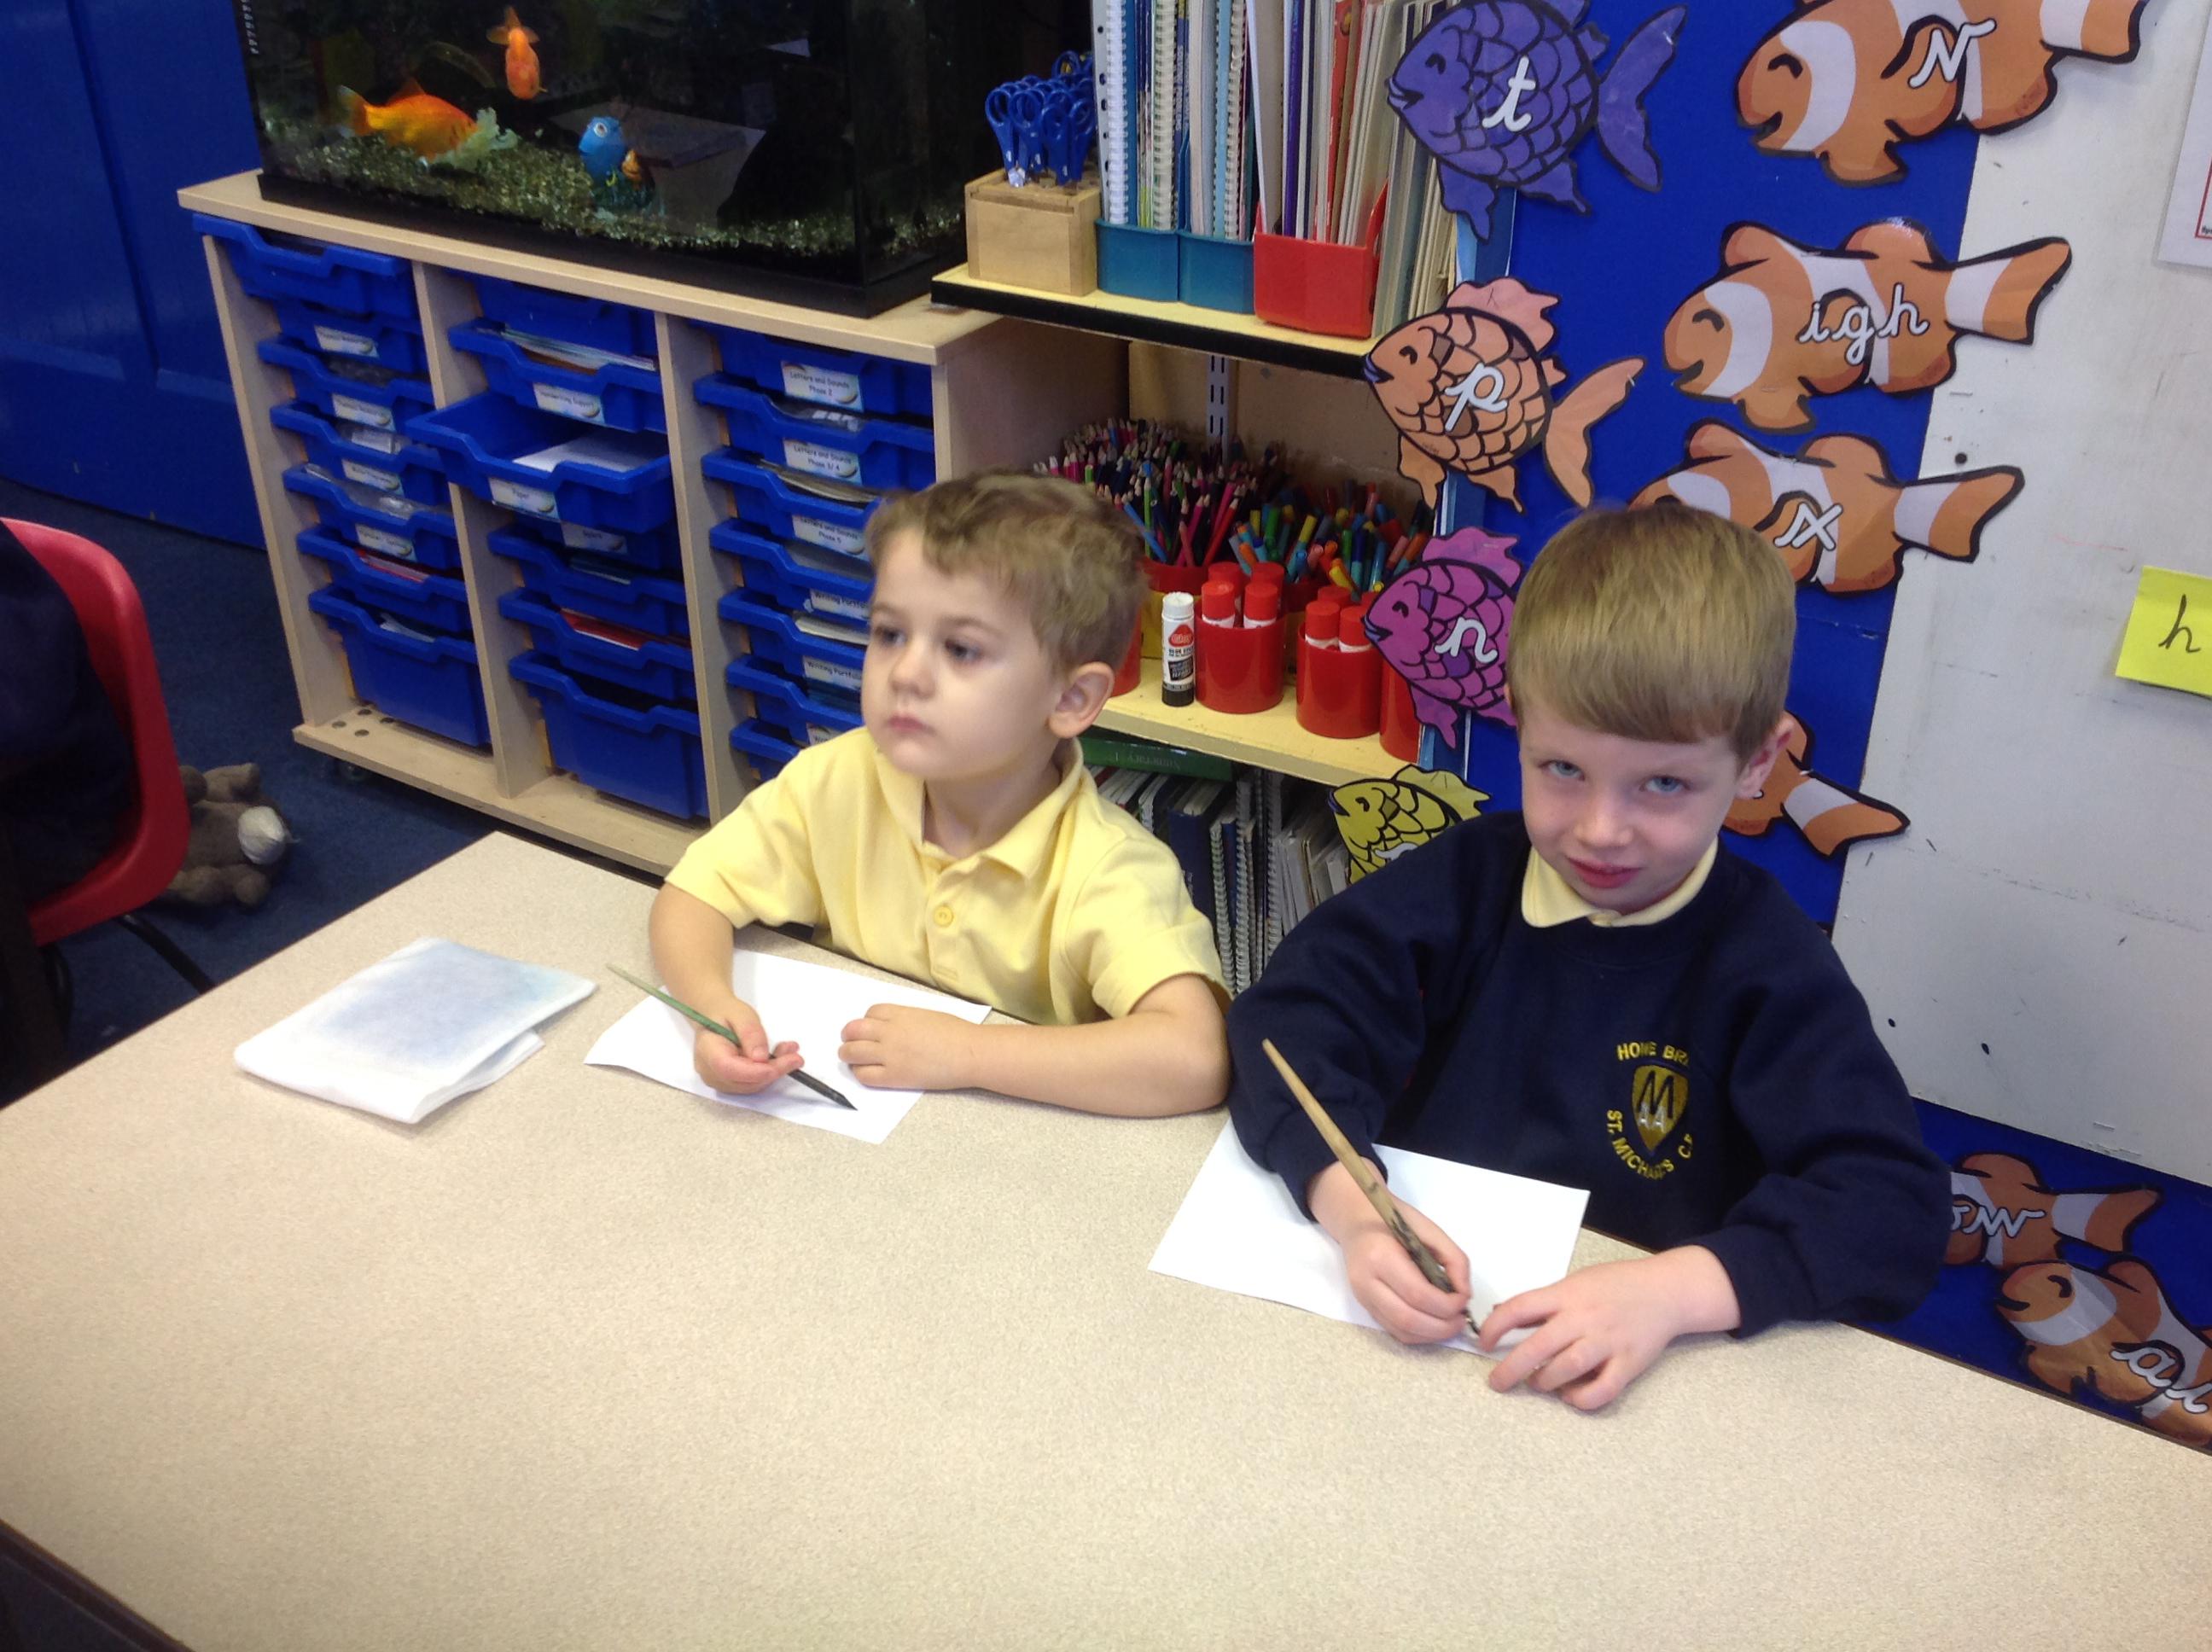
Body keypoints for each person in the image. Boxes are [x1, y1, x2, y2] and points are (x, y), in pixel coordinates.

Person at [1225, 504, 1947, 1410]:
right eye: (1562, 770)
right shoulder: (1467, 882)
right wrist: (1353, 1207)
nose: (1602, 830)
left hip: (1639, 1387)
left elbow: (1891, 1210)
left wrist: (1676, 1291)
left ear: (1757, 763)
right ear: (1519, 725)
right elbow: (1284, 1028)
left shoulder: (1768, 965)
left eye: (1664, 784)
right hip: (1423, 1355)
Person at [651, 472, 1228, 1116]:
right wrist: (712, 1010)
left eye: (961, 649)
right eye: (889, 633)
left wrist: (969, 1054)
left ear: (1071, 698)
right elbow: (692, 894)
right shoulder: (837, 780)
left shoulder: (1110, 868)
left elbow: (1194, 1058)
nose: (905, 672)